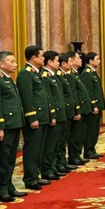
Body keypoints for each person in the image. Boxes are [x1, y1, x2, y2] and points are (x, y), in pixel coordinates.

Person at [0, 51, 26, 202]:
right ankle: (0, 190)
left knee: (10, 158)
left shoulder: (7, 78)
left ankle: (8, 186)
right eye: (11, 61)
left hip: (14, 123)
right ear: (1, 63)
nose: (15, 64)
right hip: (5, 125)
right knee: (2, 159)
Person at [18, 46, 52, 190]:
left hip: (42, 116)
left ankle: (36, 175)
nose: (44, 58)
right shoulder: (26, 74)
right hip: (35, 118)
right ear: (34, 58)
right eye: (41, 56)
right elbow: (27, 98)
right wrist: (32, 118)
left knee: (39, 149)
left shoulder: (36, 73)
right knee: (32, 149)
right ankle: (30, 178)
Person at [40, 51, 64, 181]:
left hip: (59, 114)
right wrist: (52, 115)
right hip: (52, 114)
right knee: (49, 145)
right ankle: (47, 169)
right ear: (49, 62)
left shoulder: (53, 75)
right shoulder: (45, 76)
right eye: (57, 61)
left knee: (56, 143)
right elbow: (49, 98)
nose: (59, 63)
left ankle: (53, 166)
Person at [54, 53, 78, 174]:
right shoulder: (58, 76)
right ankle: (59, 163)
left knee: (64, 138)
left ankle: (62, 162)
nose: (72, 64)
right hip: (62, 112)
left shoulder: (64, 75)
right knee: (59, 140)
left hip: (66, 111)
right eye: (70, 61)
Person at [66, 52, 90, 167]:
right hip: (77, 108)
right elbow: (73, 93)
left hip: (82, 108)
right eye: (77, 58)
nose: (81, 60)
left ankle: (77, 155)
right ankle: (73, 156)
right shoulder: (70, 74)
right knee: (75, 134)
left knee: (80, 133)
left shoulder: (75, 73)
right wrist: (77, 109)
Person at [81, 52, 105, 160]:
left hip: (97, 106)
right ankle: (88, 151)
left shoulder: (92, 72)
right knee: (90, 130)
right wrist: (93, 104)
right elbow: (89, 91)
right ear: (90, 61)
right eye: (97, 59)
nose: (99, 61)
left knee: (95, 129)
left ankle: (92, 149)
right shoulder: (87, 73)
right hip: (93, 107)